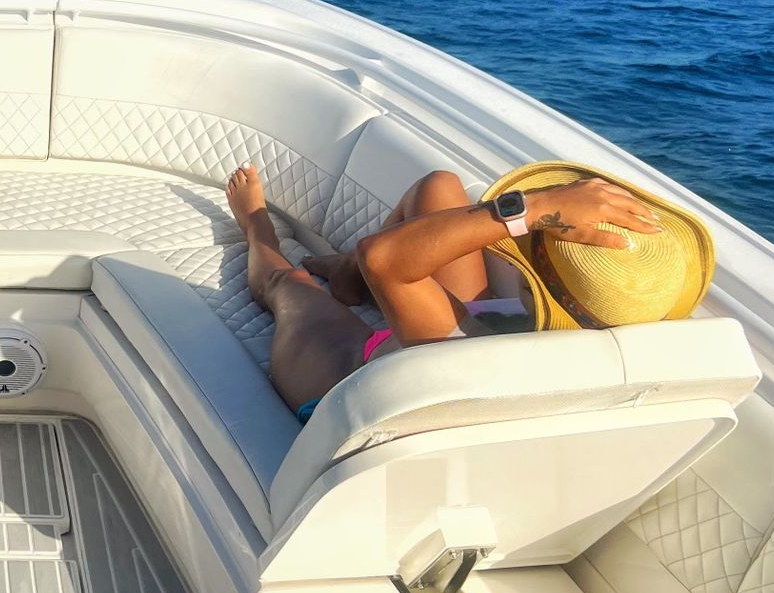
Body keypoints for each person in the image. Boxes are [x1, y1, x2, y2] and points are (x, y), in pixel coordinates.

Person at [224, 160, 713, 423]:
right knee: (438, 187)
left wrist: (534, 208)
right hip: (457, 322)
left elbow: (383, 257)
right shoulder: (601, 322)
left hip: (347, 373)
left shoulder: (464, 349)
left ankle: (257, 228)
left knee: (288, 284)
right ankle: (350, 277)